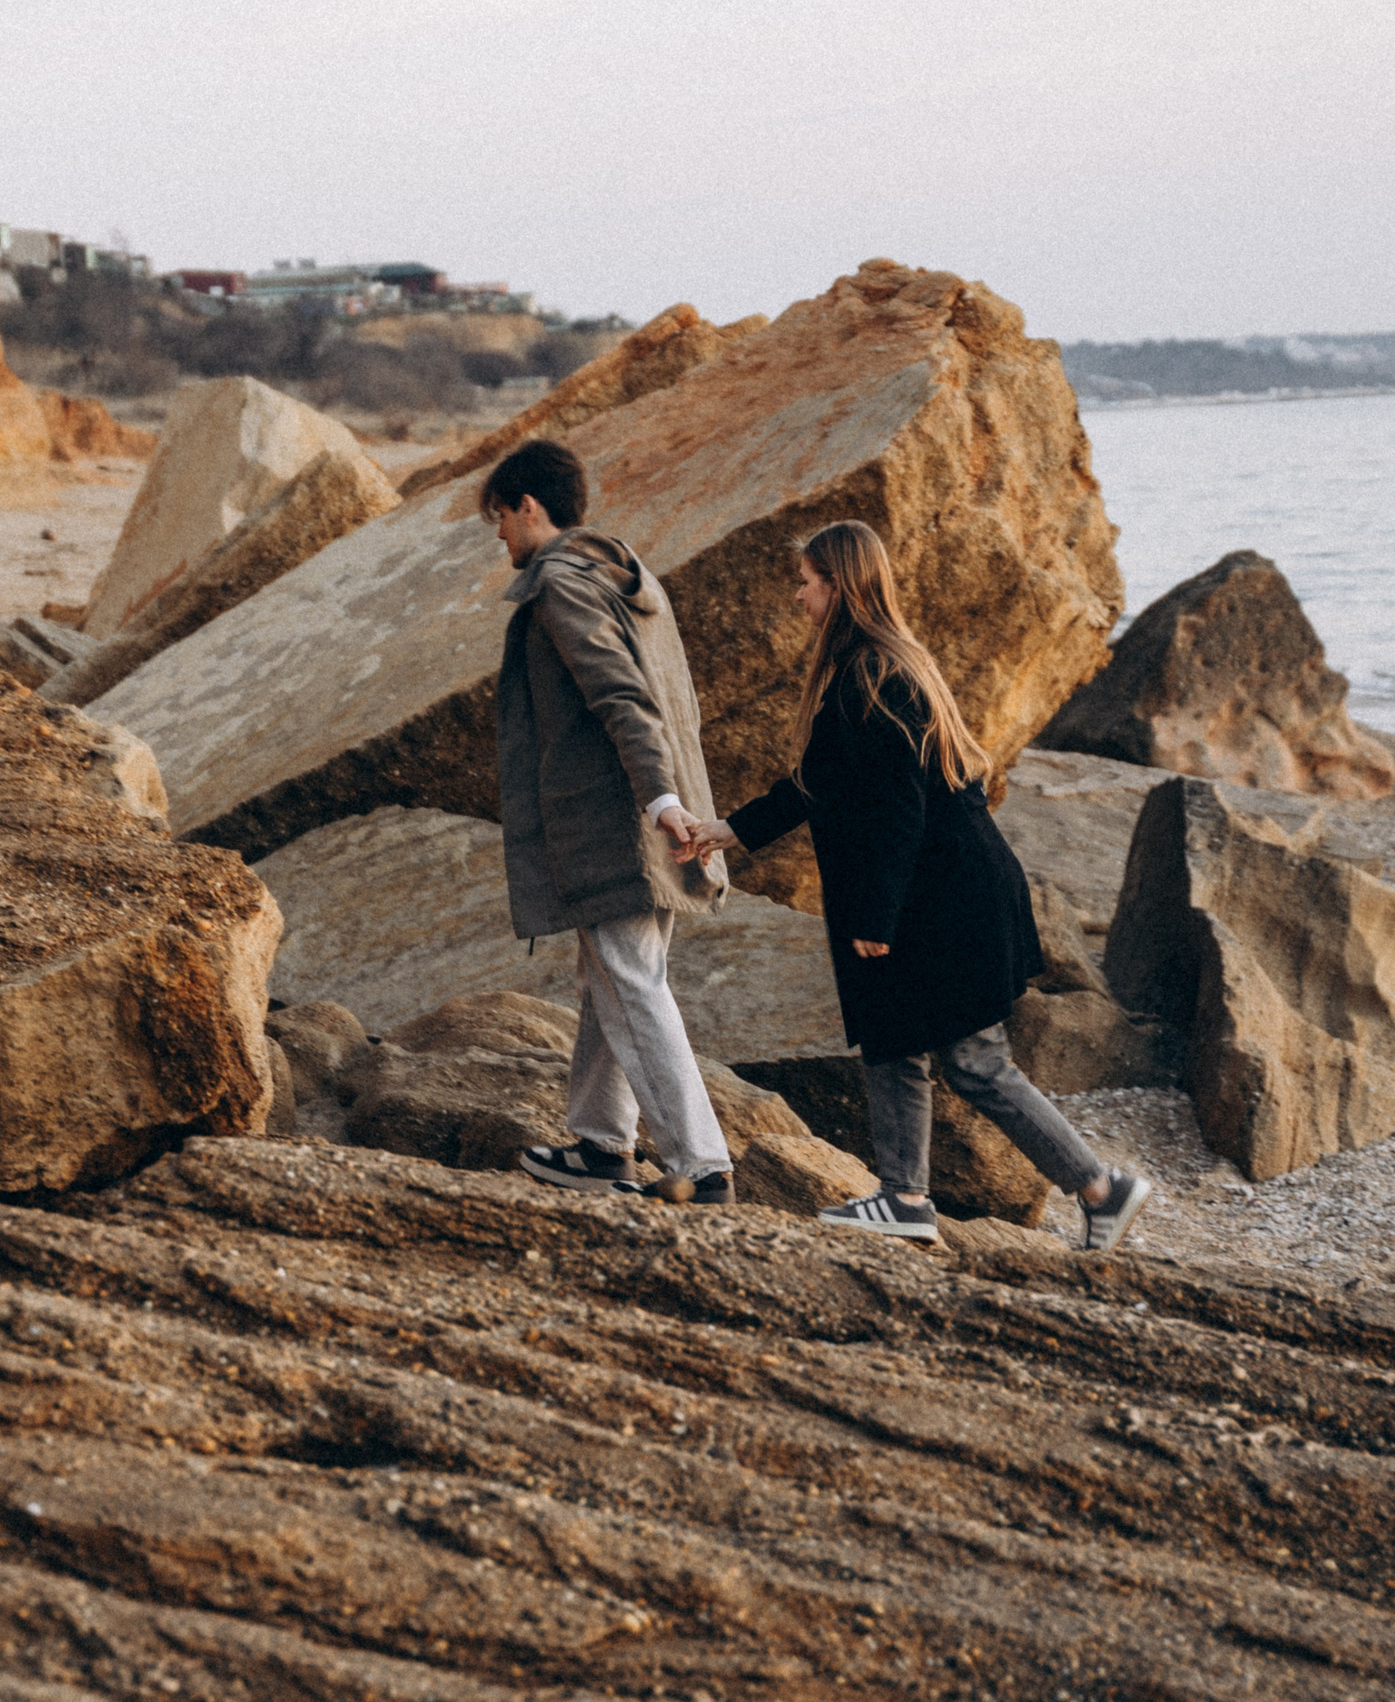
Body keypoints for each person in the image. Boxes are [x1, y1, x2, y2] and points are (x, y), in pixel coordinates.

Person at [682, 520, 1152, 1249]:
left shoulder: (873, 676)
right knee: (896, 1040)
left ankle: (1100, 1187)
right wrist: (727, 831)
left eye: (807, 582)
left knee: (972, 1060)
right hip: (942, 891)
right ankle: (906, 1196)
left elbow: (900, 807)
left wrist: (875, 914)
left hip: (943, 900)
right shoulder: (877, 668)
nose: (800, 597)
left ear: (840, 586)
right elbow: (817, 784)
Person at [483, 440, 738, 1204]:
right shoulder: (625, 576)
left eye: (499, 517)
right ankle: (601, 1145)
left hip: (615, 819)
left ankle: (702, 1161)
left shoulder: (560, 580)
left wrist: (661, 804)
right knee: (611, 975)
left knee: (628, 976)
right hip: (648, 812)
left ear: (530, 506)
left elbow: (620, 697)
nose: (499, 537)